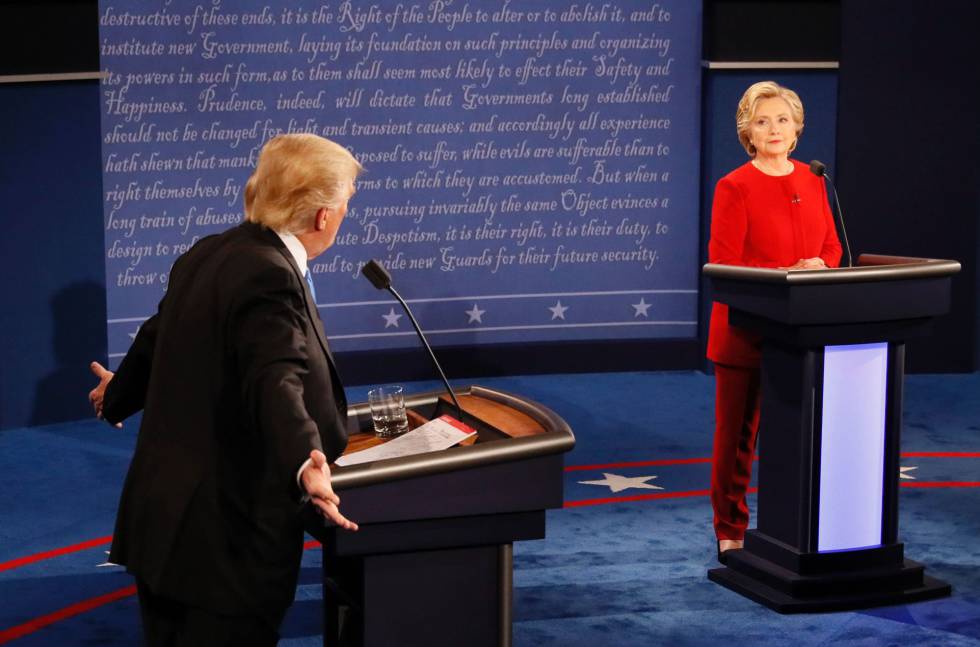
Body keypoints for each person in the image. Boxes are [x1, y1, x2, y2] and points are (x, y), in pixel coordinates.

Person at [88, 133, 363, 645]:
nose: (347, 212)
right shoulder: (271, 275)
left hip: (164, 528)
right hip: (225, 545)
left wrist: (117, 395)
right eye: (347, 199)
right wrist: (306, 460)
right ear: (324, 214)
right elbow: (274, 378)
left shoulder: (211, 252)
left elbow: (157, 335)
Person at [707, 81, 842, 562]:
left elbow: (831, 247)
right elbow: (725, 263)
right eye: (762, 121)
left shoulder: (814, 180)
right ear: (747, 130)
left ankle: (794, 528)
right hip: (746, 331)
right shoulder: (734, 186)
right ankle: (730, 528)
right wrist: (790, 273)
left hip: (802, 332)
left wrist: (820, 266)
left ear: (797, 127)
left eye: (782, 119)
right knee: (738, 439)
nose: (774, 129)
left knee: (796, 436)